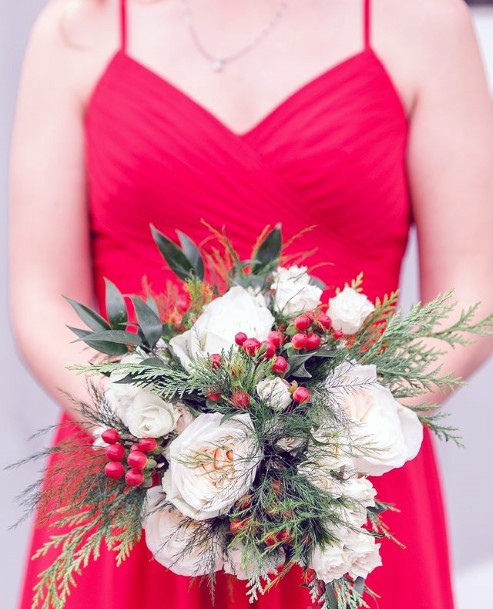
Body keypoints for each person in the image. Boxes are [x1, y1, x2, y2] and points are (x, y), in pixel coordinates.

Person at [9, 0, 493, 607]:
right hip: (134, 486)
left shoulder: (423, 22)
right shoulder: (78, 29)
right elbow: (40, 297)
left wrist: (322, 450)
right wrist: (161, 446)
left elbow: (471, 294)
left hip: (345, 497)